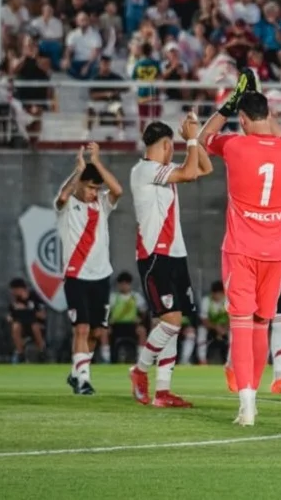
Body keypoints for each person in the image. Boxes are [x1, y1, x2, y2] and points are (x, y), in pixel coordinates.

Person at [199, 73, 281, 426]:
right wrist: (255, 98)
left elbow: (201, 137)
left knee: (241, 326)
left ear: (241, 120)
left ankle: (247, 406)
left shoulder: (234, 146)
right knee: (261, 325)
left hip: (241, 249)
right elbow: (270, 127)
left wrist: (229, 103)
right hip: (276, 252)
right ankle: (252, 397)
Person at [127, 115, 212, 408]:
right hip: (155, 255)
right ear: (165, 145)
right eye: (172, 145)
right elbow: (190, 173)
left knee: (174, 322)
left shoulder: (163, 169)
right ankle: (139, 370)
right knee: (171, 321)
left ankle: (163, 392)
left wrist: (195, 139)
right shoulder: (144, 170)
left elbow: (205, 167)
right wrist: (190, 139)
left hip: (175, 254)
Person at [55, 142, 123, 395]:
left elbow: (118, 190)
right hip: (76, 276)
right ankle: (83, 380)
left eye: (97, 188)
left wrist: (96, 161)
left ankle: (76, 373)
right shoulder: (66, 207)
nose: (94, 193)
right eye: (90, 187)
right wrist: (79, 170)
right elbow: (62, 196)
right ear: (80, 185)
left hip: (101, 276)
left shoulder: (101, 205)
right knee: (81, 327)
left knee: (96, 331)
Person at [6, 278, 47, 363]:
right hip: (22, 325)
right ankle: (20, 353)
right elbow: (10, 315)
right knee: (16, 327)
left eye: (15, 290)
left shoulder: (35, 297)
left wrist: (27, 309)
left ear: (21, 289)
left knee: (35, 326)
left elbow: (42, 315)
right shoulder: (15, 301)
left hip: (36, 323)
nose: (13, 293)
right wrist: (10, 317)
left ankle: (42, 351)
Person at [198, 281, 229, 366]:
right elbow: (204, 320)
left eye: (220, 294)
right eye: (216, 294)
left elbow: (231, 318)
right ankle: (202, 360)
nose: (218, 296)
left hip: (225, 328)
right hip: (211, 327)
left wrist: (224, 329)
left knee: (235, 333)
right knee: (201, 331)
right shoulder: (206, 301)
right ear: (212, 293)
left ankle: (231, 360)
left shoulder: (227, 301)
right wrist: (216, 328)